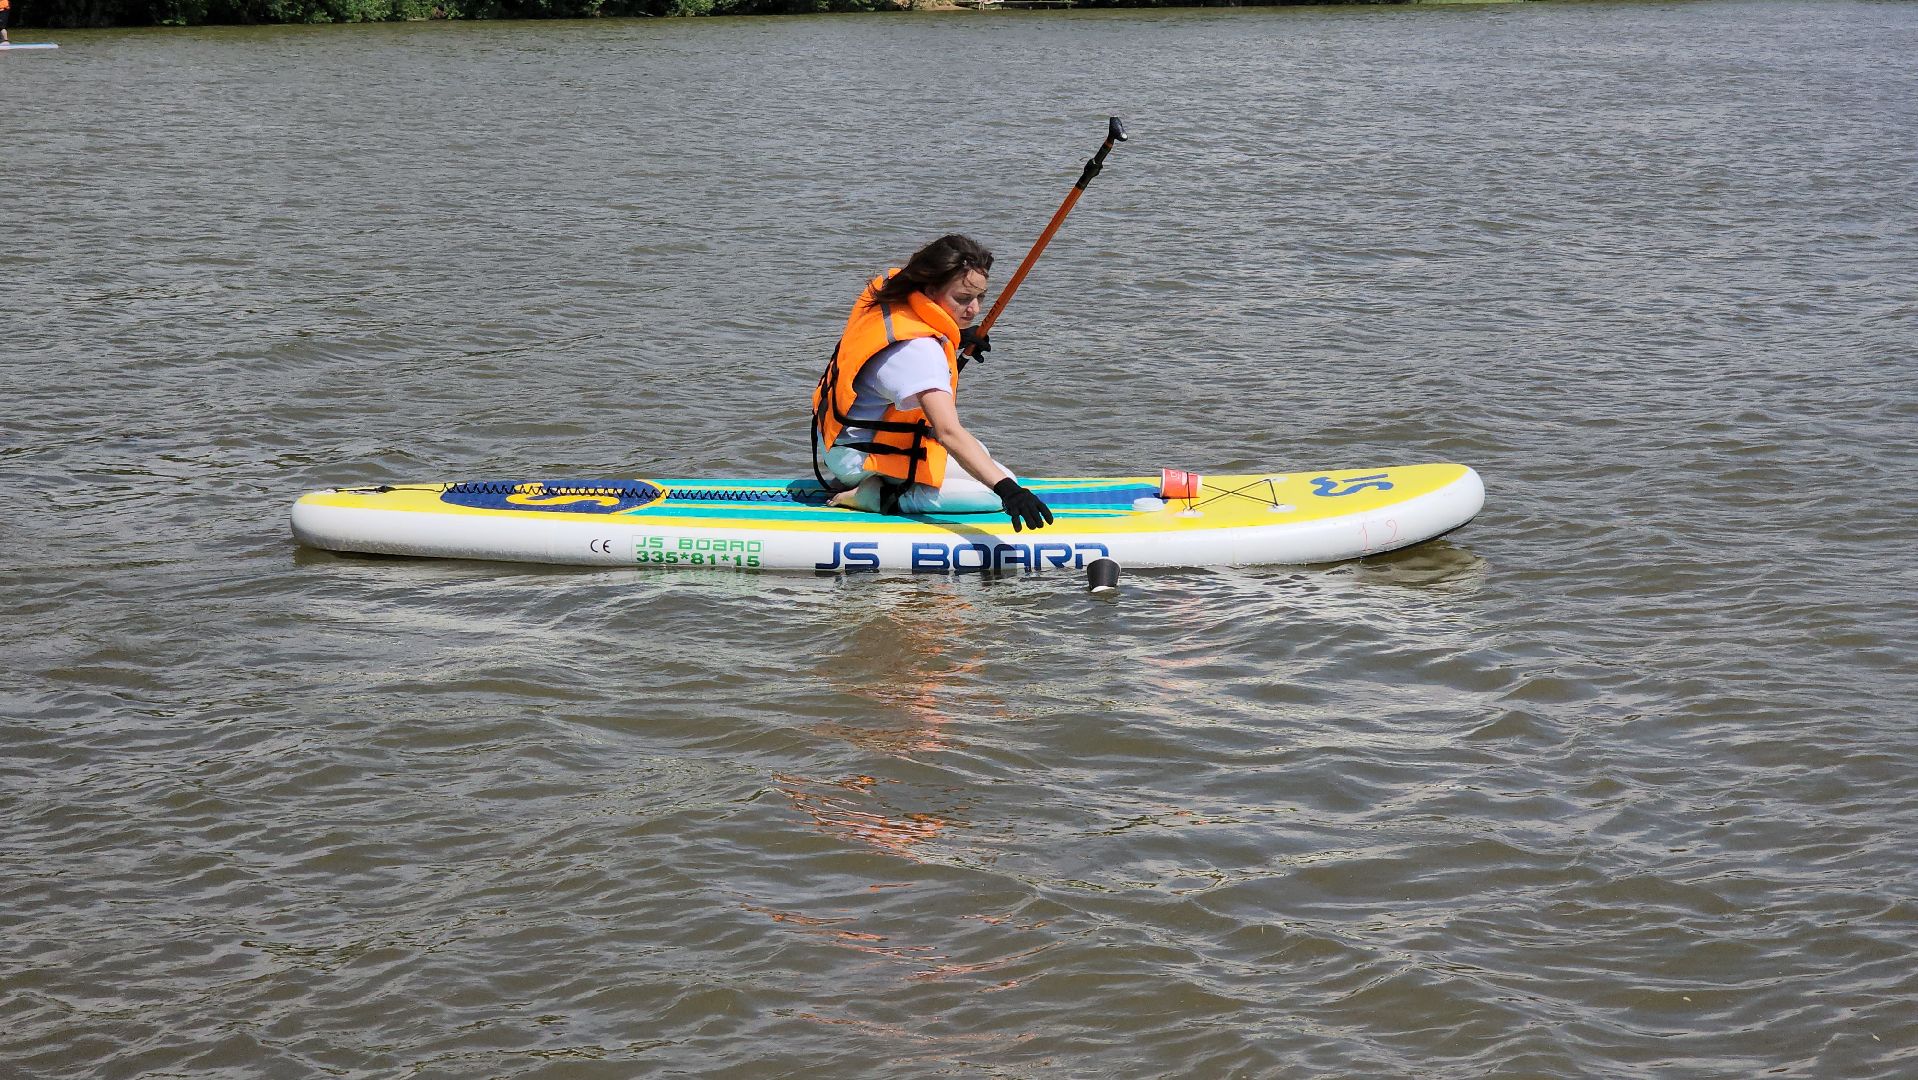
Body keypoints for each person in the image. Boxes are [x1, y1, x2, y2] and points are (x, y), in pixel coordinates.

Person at [811, 234, 1053, 532]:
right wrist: (1008, 491)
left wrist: (956, 336)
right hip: (860, 459)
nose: (974, 309)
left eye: (980, 297)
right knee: (992, 490)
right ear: (930, 288)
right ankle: (877, 495)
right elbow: (948, 431)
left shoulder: (893, 291)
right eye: (963, 299)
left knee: (982, 457)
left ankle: (875, 480)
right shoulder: (919, 352)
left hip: (840, 442)